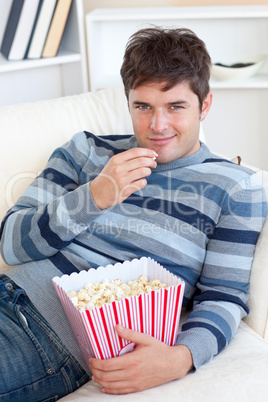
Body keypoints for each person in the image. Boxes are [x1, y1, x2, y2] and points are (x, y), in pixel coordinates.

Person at [0, 27, 267, 399]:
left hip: (46, 336)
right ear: (128, 102)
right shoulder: (86, 151)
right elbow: (12, 245)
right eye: (143, 107)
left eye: (176, 107)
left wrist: (181, 358)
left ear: (204, 105)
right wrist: (93, 196)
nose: (157, 126)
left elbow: (224, 295)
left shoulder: (236, 187)